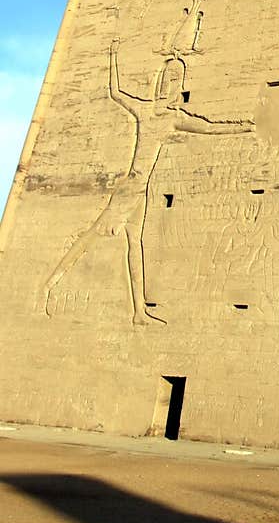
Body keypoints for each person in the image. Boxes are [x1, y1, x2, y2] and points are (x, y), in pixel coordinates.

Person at [43, 41, 253, 325]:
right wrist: (112, 53)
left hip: (140, 191)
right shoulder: (146, 110)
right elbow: (116, 93)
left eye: (177, 80)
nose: (172, 85)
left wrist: (244, 126)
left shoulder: (173, 118)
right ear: (161, 82)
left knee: (133, 244)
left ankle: (139, 311)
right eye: (169, 79)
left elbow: (210, 128)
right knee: (94, 236)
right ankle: (49, 284)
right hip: (130, 188)